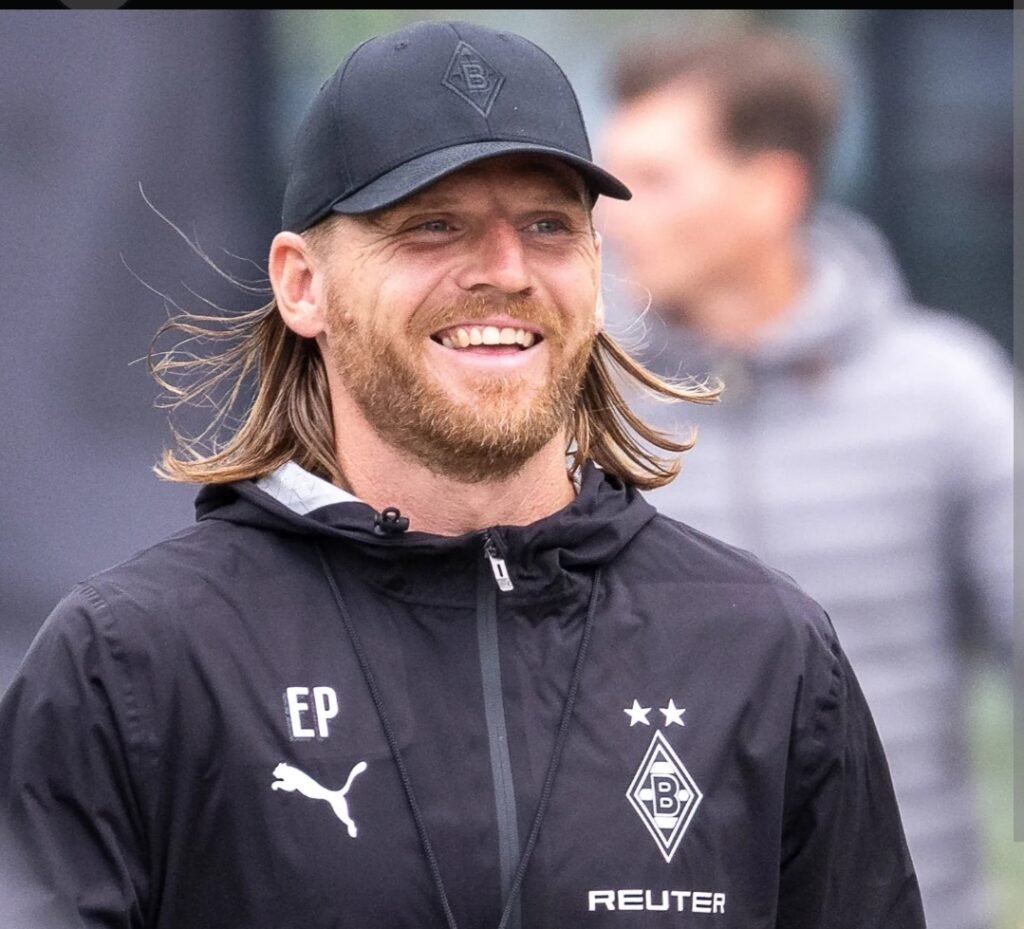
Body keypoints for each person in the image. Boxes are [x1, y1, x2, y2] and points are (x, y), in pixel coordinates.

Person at [0, 19, 926, 929]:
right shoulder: (133, 662)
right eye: (433, 225)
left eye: (548, 225)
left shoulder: (764, 647)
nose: (507, 270)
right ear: (302, 284)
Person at [598, 27, 1013, 929]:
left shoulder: (948, 392)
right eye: (611, 180)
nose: (612, 216)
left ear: (772, 191)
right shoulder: (575, 409)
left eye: (655, 180)